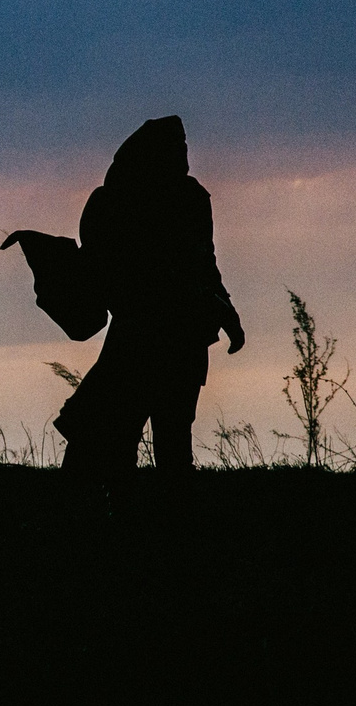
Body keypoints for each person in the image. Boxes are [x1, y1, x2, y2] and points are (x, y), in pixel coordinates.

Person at [53, 116, 244, 481]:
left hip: (168, 337)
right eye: (177, 147)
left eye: (185, 146)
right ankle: (126, 518)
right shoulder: (124, 202)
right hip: (145, 336)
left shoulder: (185, 197)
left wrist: (227, 312)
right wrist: (221, 310)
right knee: (124, 437)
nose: (185, 154)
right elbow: (174, 268)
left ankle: (146, 521)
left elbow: (205, 262)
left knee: (165, 441)